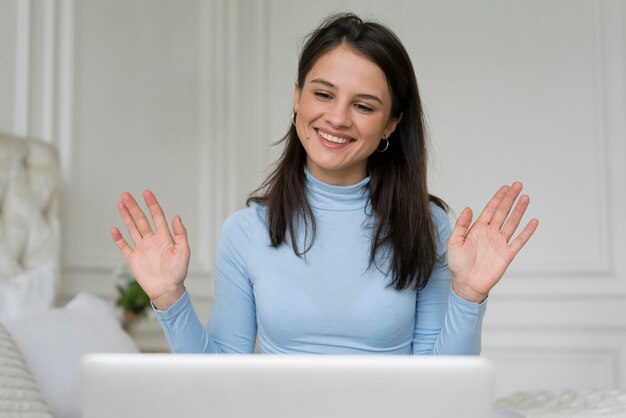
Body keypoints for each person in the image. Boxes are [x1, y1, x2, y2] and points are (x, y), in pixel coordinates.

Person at [111, 13, 538, 354]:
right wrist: (169, 297)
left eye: (364, 106)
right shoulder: (245, 232)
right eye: (323, 94)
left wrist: (468, 294)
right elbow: (220, 382)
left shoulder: (428, 226)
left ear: (391, 123)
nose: (337, 118)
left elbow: (442, 389)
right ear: (297, 97)